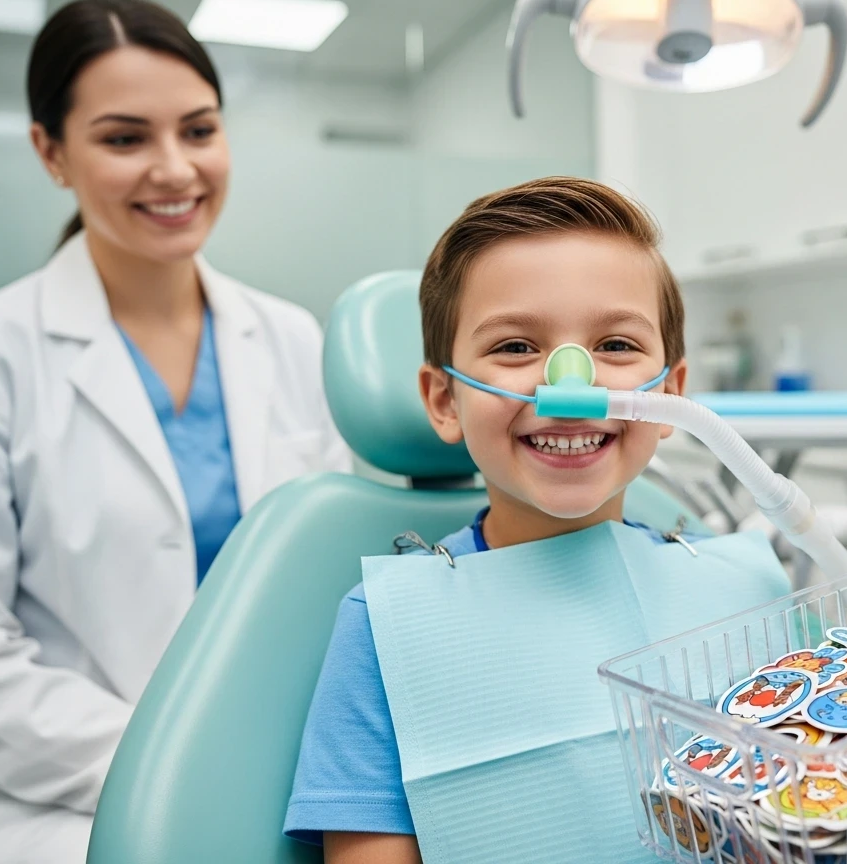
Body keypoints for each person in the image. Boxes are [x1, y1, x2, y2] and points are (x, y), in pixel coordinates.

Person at [0, 0, 350, 864]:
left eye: (200, 130)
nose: (175, 170)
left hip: (271, 778)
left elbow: (322, 585)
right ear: (50, 153)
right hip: (41, 804)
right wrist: (174, 759)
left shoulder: (289, 337)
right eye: (125, 138)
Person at [283, 178, 789, 863]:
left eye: (614, 345)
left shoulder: (740, 590)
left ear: (670, 394)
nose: (571, 389)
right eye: (517, 347)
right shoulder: (388, 626)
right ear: (445, 399)